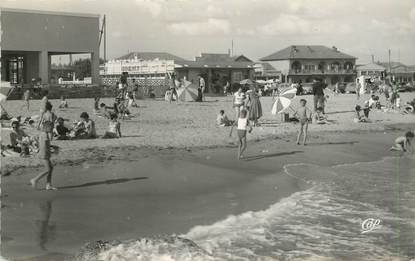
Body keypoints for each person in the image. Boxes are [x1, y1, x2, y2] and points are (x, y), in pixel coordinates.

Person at [30, 120, 56, 191]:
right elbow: (44, 145)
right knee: (47, 169)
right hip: (44, 154)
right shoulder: (44, 134)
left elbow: (44, 144)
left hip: (45, 153)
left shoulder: (43, 133)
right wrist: (48, 152)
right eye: (51, 128)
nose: (52, 129)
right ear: (47, 127)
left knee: (51, 168)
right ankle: (35, 180)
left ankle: (48, 184)